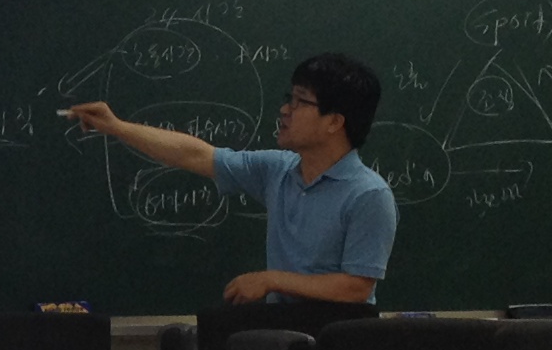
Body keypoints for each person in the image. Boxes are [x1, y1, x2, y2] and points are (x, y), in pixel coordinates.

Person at [62, 51, 397, 306]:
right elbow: (195, 155)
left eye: (300, 102)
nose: (285, 110)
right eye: (289, 99)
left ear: (334, 122)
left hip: (338, 343)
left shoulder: (368, 194)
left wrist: (272, 280)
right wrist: (117, 127)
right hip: (283, 332)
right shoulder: (278, 170)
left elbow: (356, 287)